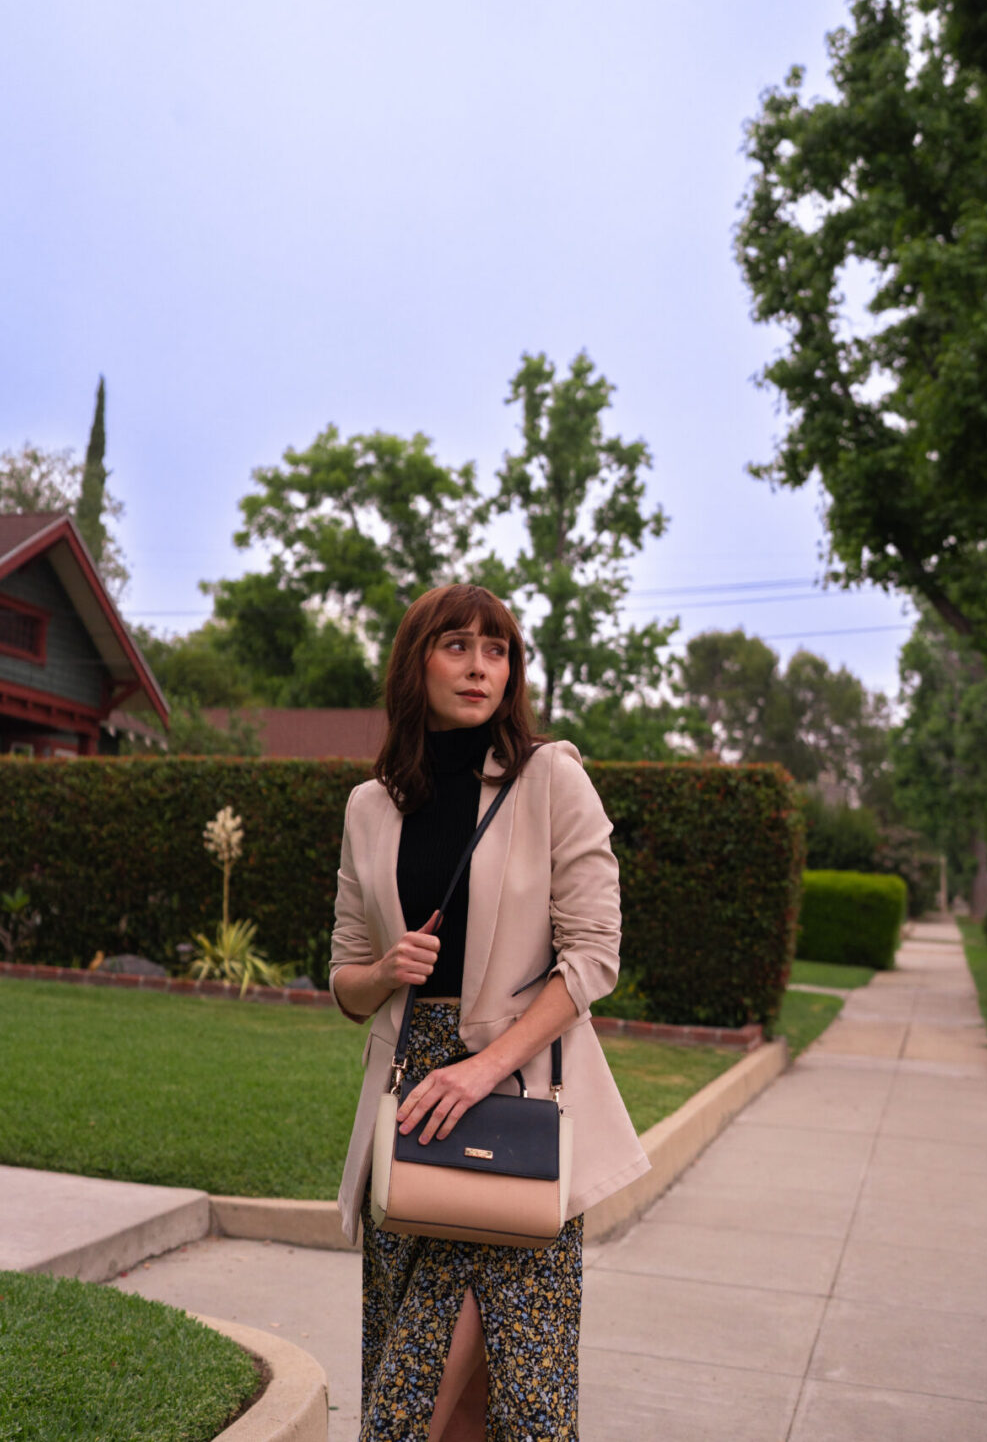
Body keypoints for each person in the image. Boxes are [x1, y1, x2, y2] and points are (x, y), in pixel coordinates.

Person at [329, 582, 649, 1442]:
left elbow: (593, 958)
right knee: (450, 1404)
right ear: (415, 663)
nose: (481, 668)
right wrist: (386, 968)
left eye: (498, 649)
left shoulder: (551, 778)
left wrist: (482, 1067)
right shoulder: (371, 807)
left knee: (459, 1405)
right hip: (409, 1116)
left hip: (513, 1107)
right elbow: (345, 982)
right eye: (457, 645)